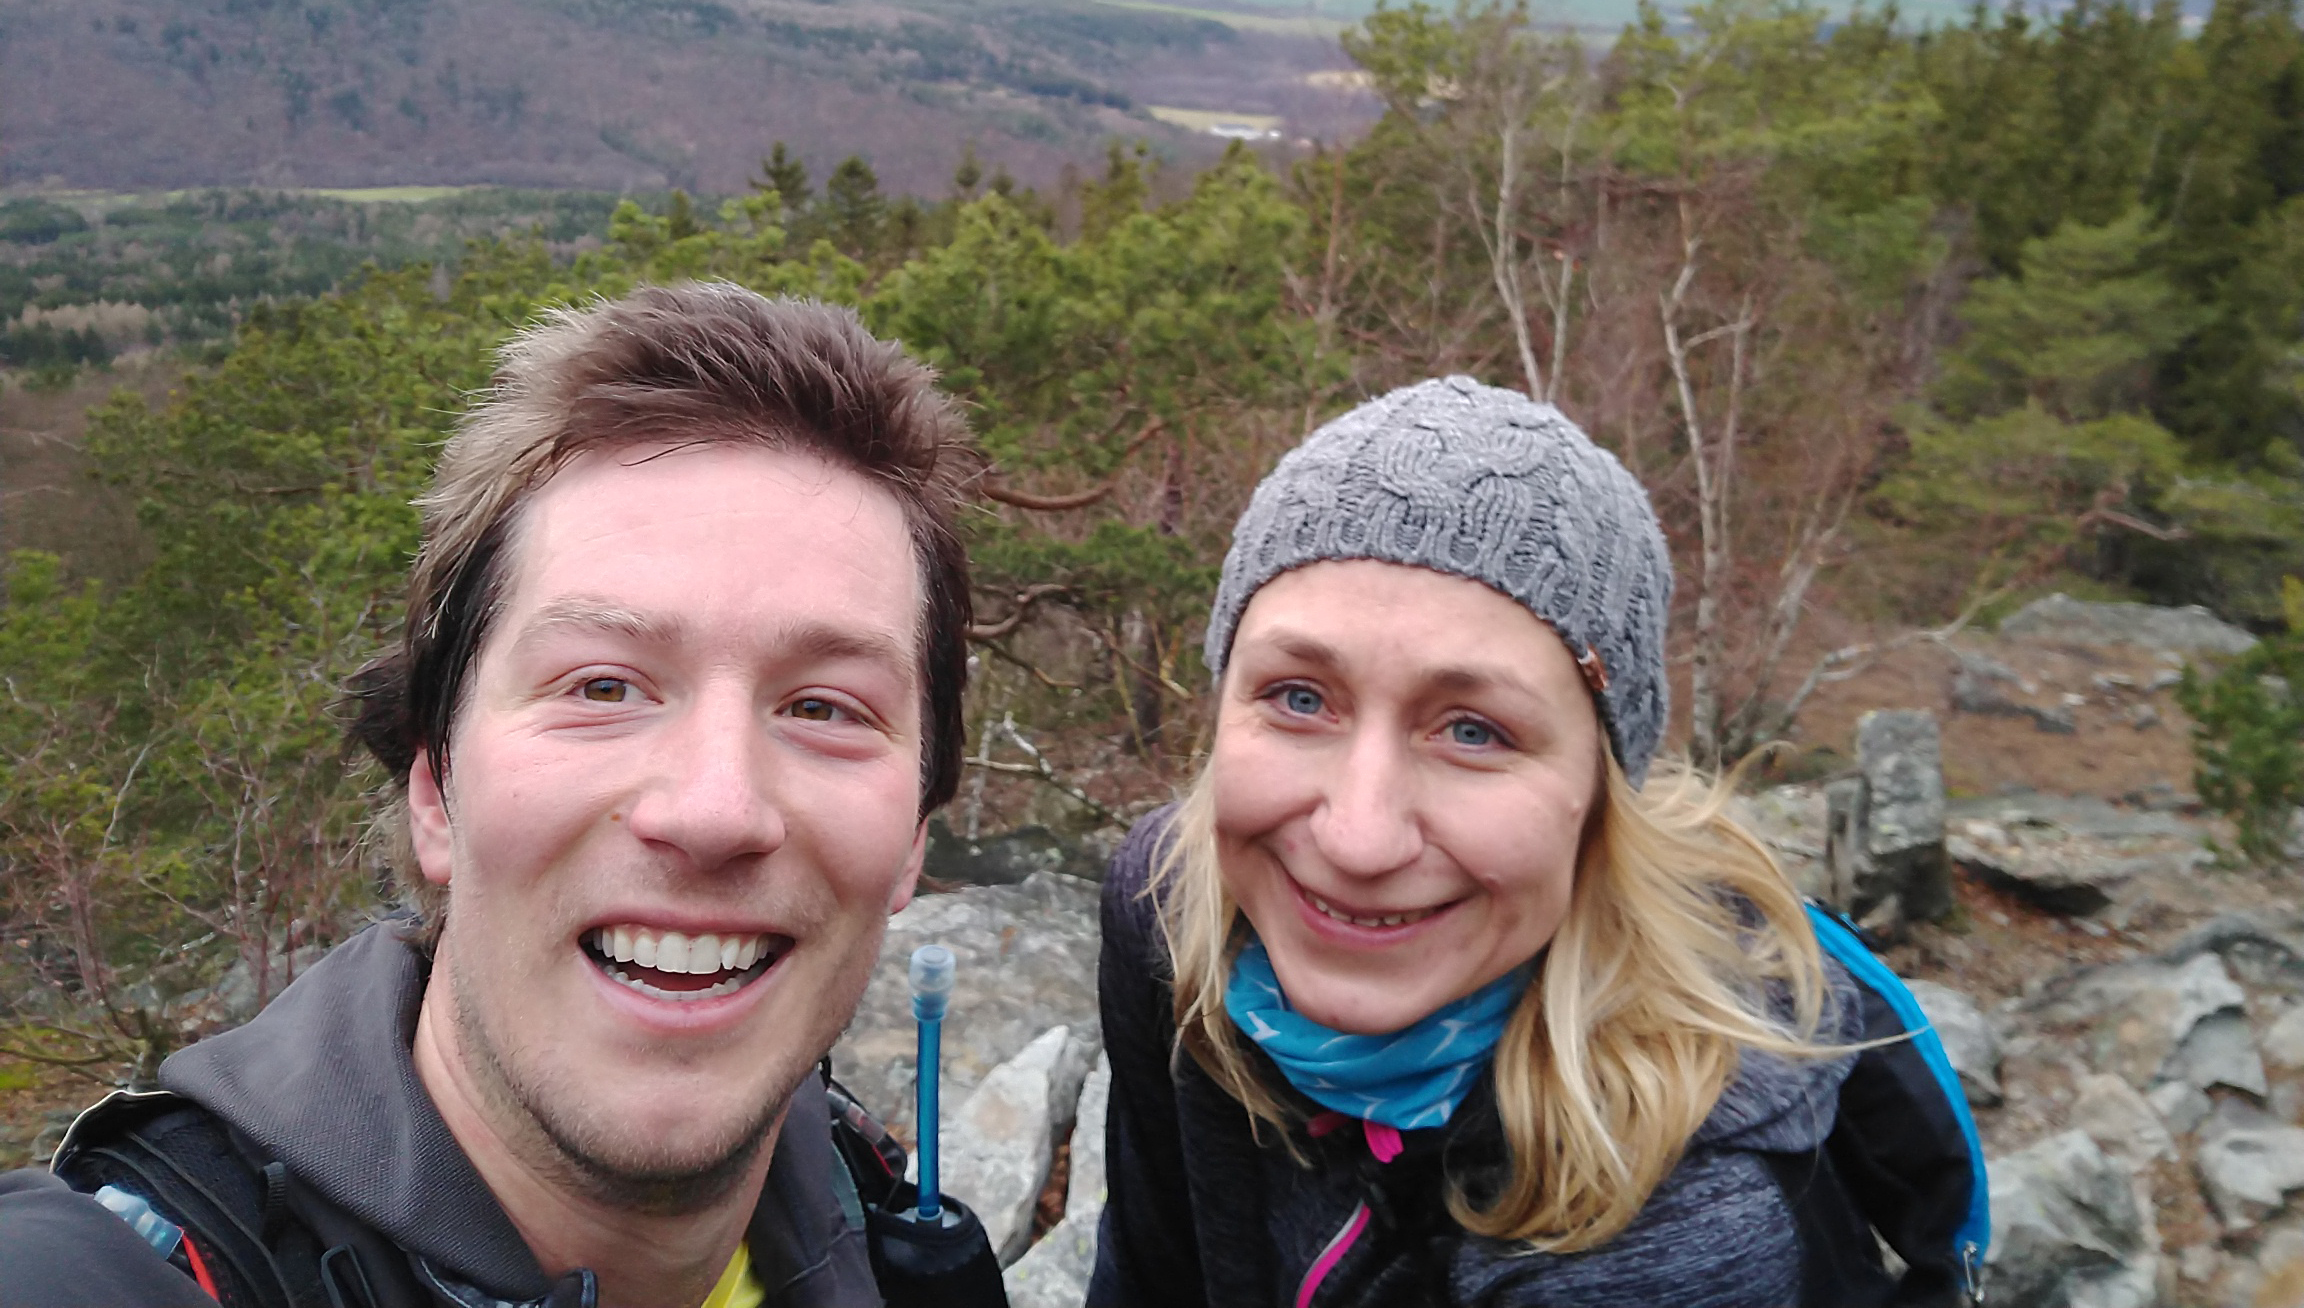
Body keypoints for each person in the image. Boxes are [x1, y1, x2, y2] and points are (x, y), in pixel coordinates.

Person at [0, 283, 980, 1308]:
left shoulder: (872, 1209)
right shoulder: (109, 1275)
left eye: (824, 707)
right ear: (434, 792)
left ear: (914, 834)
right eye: (602, 688)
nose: (714, 810)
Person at [1089, 376, 1985, 1308]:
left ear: (1601, 794)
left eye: (1473, 731)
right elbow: (1151, 1267)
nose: (1358, 839)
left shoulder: (1674, 1237)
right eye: (1300, 697)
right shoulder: (1170, 902)